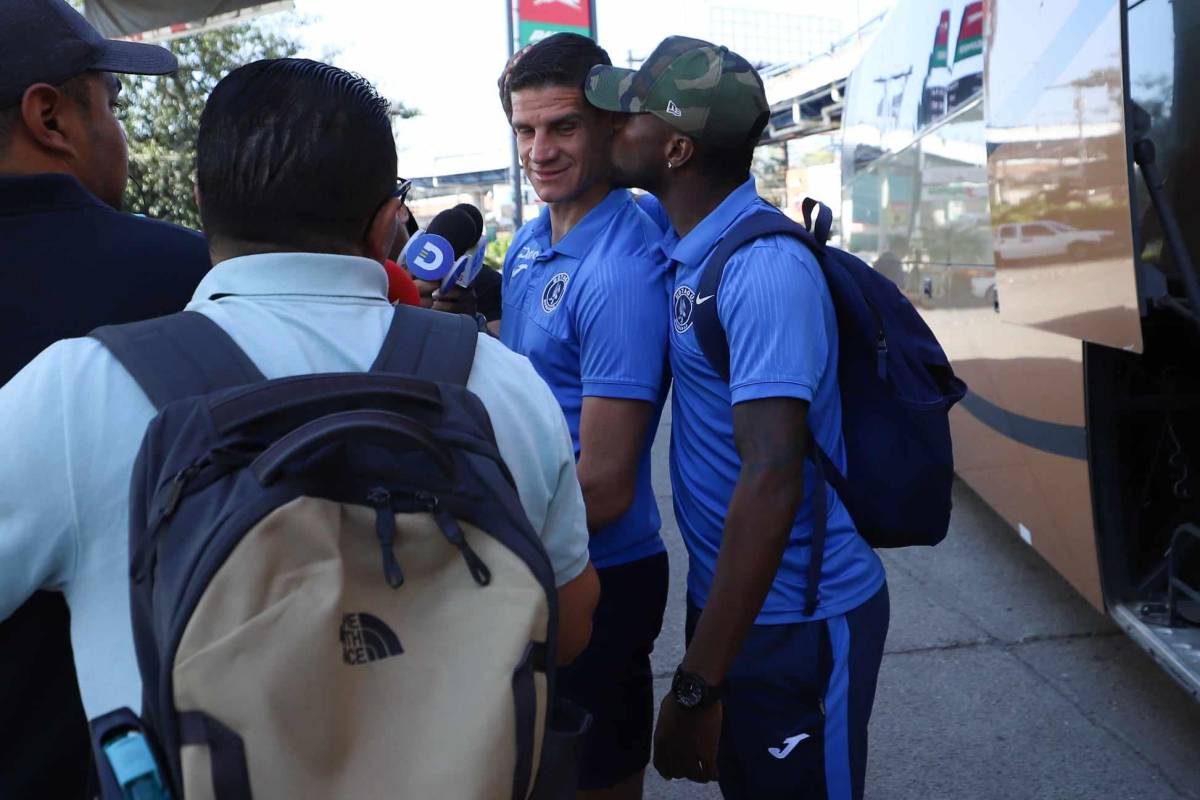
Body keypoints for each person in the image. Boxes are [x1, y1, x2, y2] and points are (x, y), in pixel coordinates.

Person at [0, 57, 599, 756]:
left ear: (200, 199)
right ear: (386, 224)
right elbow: (572, 620)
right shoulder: (501, 383)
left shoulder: (80, 388)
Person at [586, 36, 889, 800]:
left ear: (678, 148)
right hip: (734, 603)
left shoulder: (762, 270)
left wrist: (696, 687)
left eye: (631, 117)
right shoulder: (689, 243)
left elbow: (774, 476)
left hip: (800, 622)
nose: (611, 128)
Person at [0, 2, 211, 795]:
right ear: (49, 115)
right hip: (150, 753)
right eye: (112, 106)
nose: (119, 135)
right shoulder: (187, 279)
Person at [498, 32, 672, 800]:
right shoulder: (533, 240)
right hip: (539, 551)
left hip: (601, 571)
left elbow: (603, 486)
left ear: (608, 126)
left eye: (562, 127)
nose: (540, 150)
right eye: (525, 130)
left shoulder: (623, 269)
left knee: (596, 781)